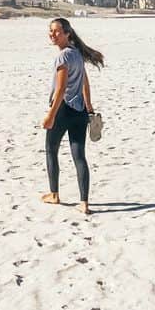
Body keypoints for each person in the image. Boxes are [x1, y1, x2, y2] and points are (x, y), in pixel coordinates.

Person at [41, 17, 105, 215]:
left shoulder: (63, 57)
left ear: (67, 33)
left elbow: (60, 90)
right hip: (79, 112)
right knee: (79, 157)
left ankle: (54, 194)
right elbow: (85, 83)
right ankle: (84, 203)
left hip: (62, 111)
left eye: (57, 31)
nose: (53, 35)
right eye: (51, 31)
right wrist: (89, 108)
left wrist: (50, 115)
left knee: (51, 150)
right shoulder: (77, 54)